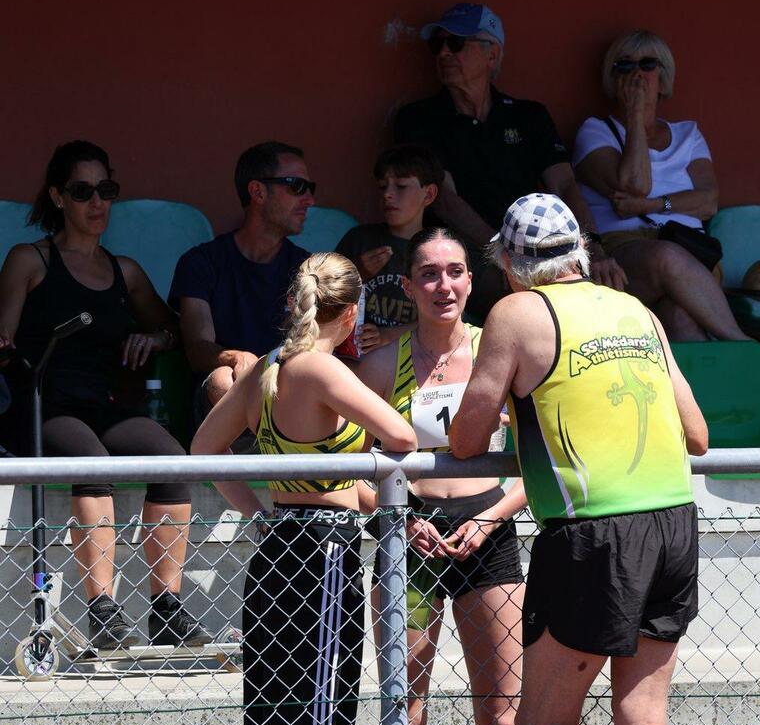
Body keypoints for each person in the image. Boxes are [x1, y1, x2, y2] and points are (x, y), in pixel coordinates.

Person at [451, 194, 708, 725]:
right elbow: (696, 433)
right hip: (671, 521)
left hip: (591, 532)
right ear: (582, 254)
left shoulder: (517, 315)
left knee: (543, 724)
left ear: (507, 262)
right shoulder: (636, 312)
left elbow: (465, 438)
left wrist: (516, 409)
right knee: (644, 723)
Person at [191, 252, 417, 725]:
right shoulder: (320, 368)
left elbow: (204, 448)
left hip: (287, 546)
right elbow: (402, 437)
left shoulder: (265, 368)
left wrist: (263, 509)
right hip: (321, 557)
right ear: (349, 313)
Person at [349, 226, 533, 725]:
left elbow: (538, 463)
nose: (444, 285)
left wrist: (489, 519)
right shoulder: (382, 363)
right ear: (408, 285)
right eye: (429, 273)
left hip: (488, 538)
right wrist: (398, 520)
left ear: (472, 280)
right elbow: (355, 472)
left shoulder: (500, 349)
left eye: (455, 271)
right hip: (412, 547)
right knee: (405, 715)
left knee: (503, 716)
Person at [0, 139, 210, 650]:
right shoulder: (30, 260)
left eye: (106, 190)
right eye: (82, 191)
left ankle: (166, 607)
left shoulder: (126, 271)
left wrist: (153, 338)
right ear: (58, 196)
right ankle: (103, 609)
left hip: (106, 407)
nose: (97, 203)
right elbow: (2, 339)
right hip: (41, 405)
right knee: (92, 462)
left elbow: (172, 327)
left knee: (172, 460)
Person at [573, 29, 760, 386]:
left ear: (663, 78)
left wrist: (651, 205)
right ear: (611, 78)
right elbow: (633, 184)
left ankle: (717, 412)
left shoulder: (687, 134)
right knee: (665, 257)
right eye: (624, 66)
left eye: (647, 65)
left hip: (693, 254)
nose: (637, 74)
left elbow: (708, 201)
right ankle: (751, 350)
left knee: (679, 317)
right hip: (626, 252)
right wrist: (636, 118)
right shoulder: (595, 131)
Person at [394, 3, 625, 319]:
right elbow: (445, 201)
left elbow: (565, 185)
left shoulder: (529, 116)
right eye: (438, 44)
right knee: (530, 296)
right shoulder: (419, 119)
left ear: (492, 54)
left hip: (539, 246)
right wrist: (505, 253)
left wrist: (591, 248)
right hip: (468, 252)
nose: (444, 53)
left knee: (612, 281)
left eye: (457, 43)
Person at [169, 141, 313, 428]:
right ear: (257, 191)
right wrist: (235, 358)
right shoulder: (201, 262)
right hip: (223, 398)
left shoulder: (308, 268)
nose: (309, 199)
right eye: (297, 186)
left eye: (311, 188)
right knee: (225, 378)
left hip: (288, 391)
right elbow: (197, 348)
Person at [336, 144, 444, 337]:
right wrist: (356, 273)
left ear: (428, 194)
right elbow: (321, 298)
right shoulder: (358, 239)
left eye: (401, 186)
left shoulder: (440, 250)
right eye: (382, 186)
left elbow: (447, 319)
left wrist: (388, 335)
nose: (387, 194)